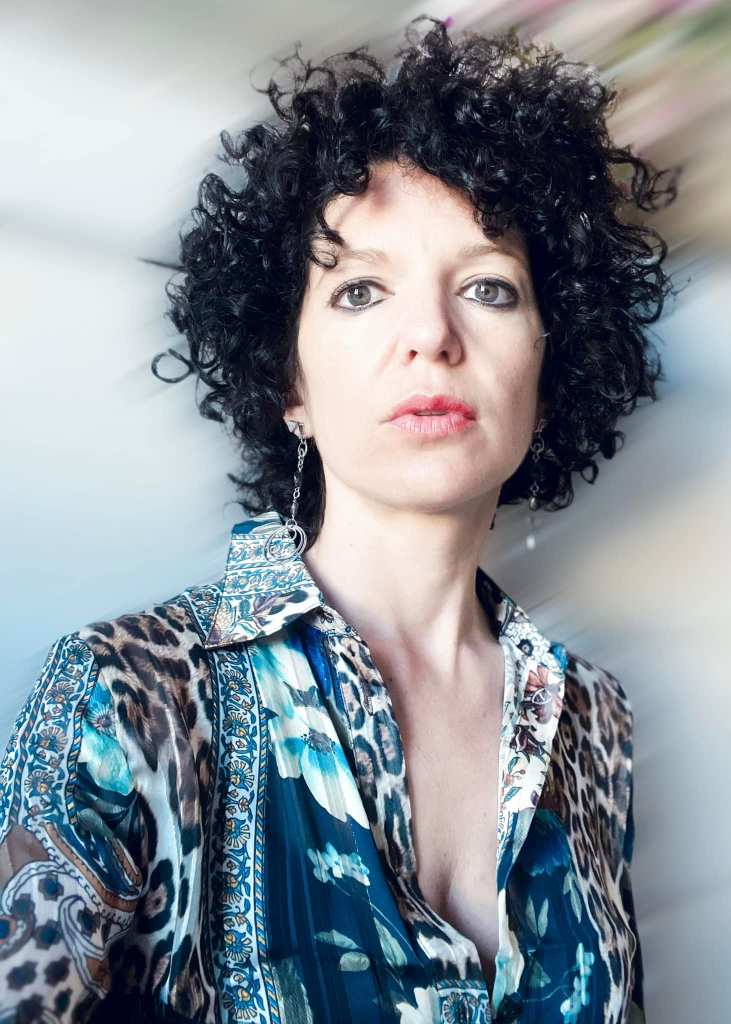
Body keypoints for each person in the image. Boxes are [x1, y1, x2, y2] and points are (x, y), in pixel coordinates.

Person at [0, 16, 679, 1024]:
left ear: (550, 365)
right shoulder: (126, 694)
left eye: (486, 287)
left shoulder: (592, 719)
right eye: (361, 291)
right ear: (289, 385)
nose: (430, 336)